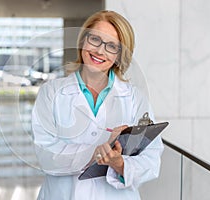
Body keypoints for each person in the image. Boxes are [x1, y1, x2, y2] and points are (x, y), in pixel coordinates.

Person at [31, 10, 164, 200]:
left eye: (111, 46)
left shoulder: (135, 98)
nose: (100, 51)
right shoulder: (51, 93)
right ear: (83, 41)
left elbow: (151, 160)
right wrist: (94, 153)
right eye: (95, 39)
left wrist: (120, 164)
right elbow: (45, 155)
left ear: (119, 55)